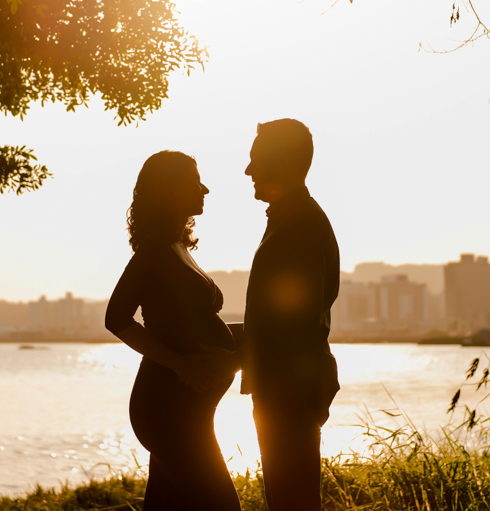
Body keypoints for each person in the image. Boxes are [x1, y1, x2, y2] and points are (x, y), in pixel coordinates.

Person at [104, 151, 241, 511]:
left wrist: (256, 340)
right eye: (195, 181)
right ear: (170, 190)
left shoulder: (177, 246)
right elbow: (116, 318)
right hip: (166, 409)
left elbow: (193, 324)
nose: (206, 189)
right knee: (222, 505)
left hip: (187, 411)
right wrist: (182, 365)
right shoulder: (153, 251)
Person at [240, 119, 340, 511]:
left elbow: (291, 322)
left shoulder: (299, 226)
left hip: (288, 391)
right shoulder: (292, 220)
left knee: (291, 501)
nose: (248, 171)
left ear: (279, 161)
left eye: (255, 160)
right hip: (286, 388)